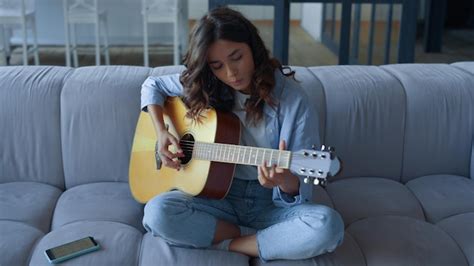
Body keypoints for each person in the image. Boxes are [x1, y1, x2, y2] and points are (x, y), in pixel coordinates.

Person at [140, 6, 344, 261]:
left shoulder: (292, 101)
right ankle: (264, 238)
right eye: (217, 65)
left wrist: (284, 182)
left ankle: (232, 243)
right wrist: (161, 132)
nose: (231, 73)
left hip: (268, 205)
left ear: (253, 48)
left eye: (237, 57)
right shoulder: (206, 84)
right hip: (216, 199)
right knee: (156, 213)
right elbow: (153, 85)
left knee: (327, 225)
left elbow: (299, 191)